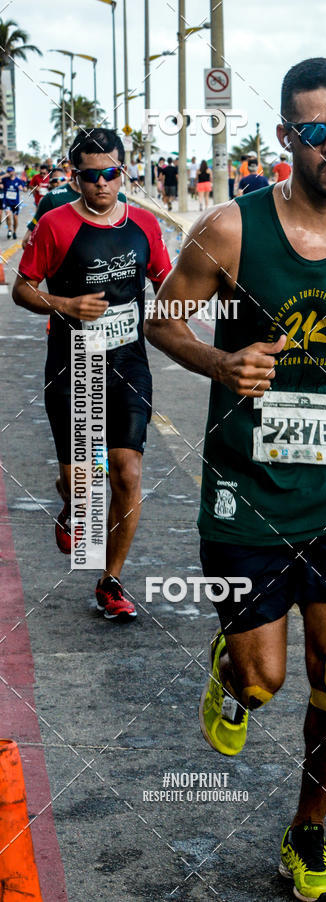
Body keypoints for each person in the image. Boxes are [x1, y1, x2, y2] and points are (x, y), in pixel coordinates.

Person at [144, 57, 326, 901]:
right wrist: (219, 361)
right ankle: (231, 680)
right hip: (245, 492)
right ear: (286, 139)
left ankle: (308, 834)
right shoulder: (230, 231)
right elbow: (164, 317)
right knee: (263, 678)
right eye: (317, 132)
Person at [13, 127, 172, 621]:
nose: (101, 184)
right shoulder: (56, 225)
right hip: (72, 362)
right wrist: (63, 304)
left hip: (128, 362)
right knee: (81, 487)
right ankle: (70, 505)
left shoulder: (145, 225)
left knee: (127, 472)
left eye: (110, 173)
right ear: (75, 175)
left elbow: (167, 281)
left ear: (123, 172)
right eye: (89, 175)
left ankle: (111, 580)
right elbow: (22, 289)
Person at [2, 166, 27, 239]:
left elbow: (25, 189)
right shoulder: (5, 180)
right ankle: (9, 229)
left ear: (14, 172)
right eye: (8, 171)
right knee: (8, 215)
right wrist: (4, 175)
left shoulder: (18, 180)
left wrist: (23, 188)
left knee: (15, 218)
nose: (9, 173)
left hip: (15, 203)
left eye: (10, 171)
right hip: (7, 202)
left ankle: (14, 231)